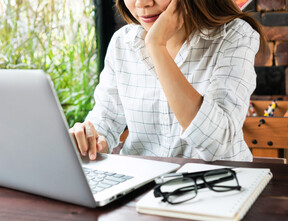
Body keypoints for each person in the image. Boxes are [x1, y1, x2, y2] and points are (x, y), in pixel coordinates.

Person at [69, 0, 265, 162]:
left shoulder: (235, 35)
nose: (142, 3)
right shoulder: (122, 42)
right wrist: (92, 138)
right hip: (141, 187)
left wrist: (156, 46)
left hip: (216, 186)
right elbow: (106, 119)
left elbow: (217, 145)